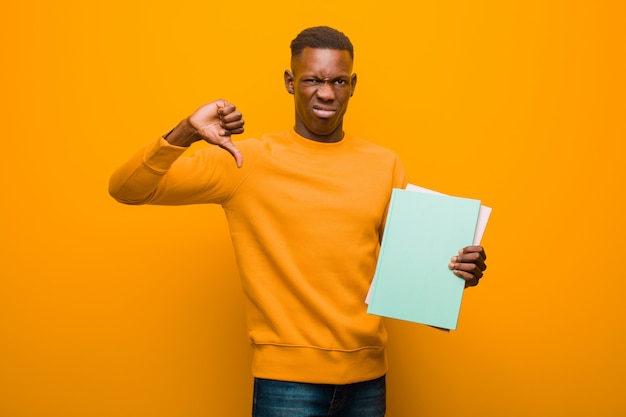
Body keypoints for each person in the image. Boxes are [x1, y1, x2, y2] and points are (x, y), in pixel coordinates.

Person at [109, 26, 487, 417]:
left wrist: (457, 272)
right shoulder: (246, 161)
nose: (327, 92)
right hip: (286, 384)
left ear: (353, 85)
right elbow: (127, 189)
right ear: (290, 82)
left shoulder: (385, 165)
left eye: (339, 81)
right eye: (313, 80)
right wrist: (188, 129)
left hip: (368, 380)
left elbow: (406, 271)